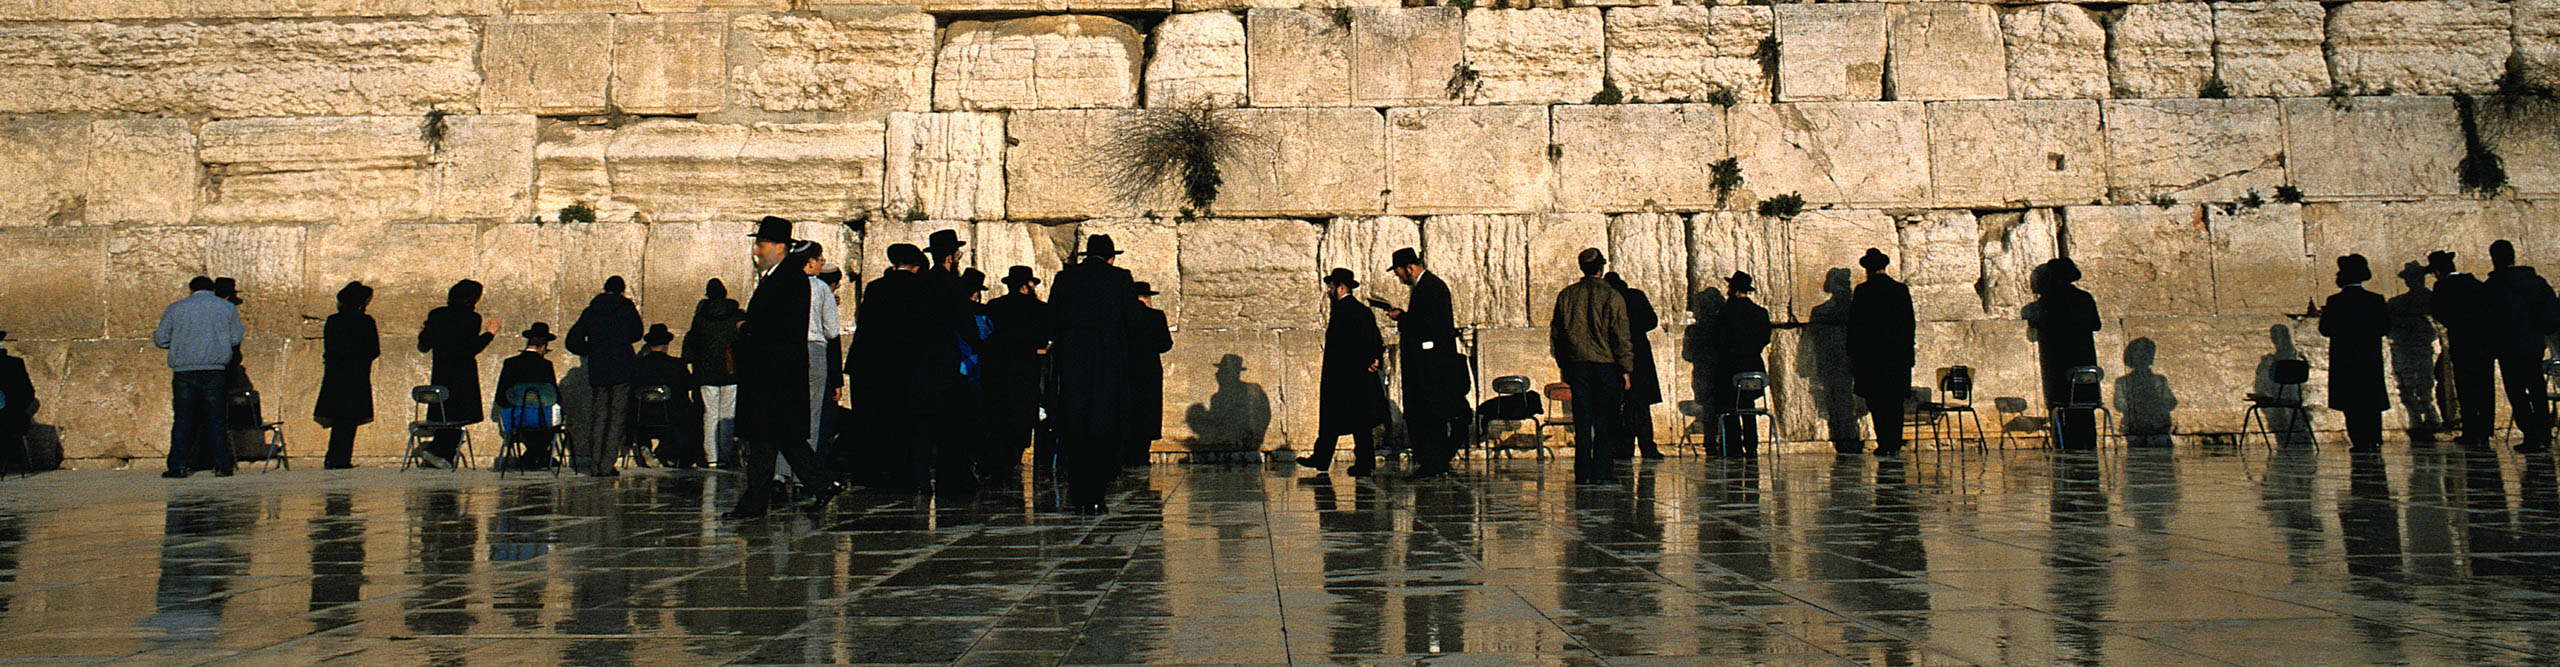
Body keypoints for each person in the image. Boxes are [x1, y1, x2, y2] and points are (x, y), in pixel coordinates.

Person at [728, 217, 842, 519]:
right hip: (774, 372)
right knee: (775, 438)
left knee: (771, 436)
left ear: (780, 247)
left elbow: (775, 326)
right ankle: (820, 485)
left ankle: (759, 503)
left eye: (761, 245)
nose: (757, 251)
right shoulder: (782, 276)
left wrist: (744, 328)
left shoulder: (788, 279)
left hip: (775, 373)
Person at [1049, 235, 1143, 514]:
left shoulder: (1065, 278)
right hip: (1109, 368)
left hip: (1073, 367)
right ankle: (1096, 496)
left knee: (1076, 427)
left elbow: (1051, 323)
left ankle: (1079, 495)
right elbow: (1133, 324)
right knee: (1104, 428)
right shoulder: (1121, 279)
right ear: (1110, 257)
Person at [850, 243, 938, 491]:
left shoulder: (875, 287)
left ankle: (876, 472)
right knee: (908, 421)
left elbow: (866, 328)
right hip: (909, 364)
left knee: (878, 419)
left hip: (875, 364)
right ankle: (907, 474)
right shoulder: (923, 288)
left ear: (894, 264)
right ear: (917, 267)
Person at [1550, 248, 1633, 484]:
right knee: (1605, 421)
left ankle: (1583, 472)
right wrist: (1626, 368)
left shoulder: (1566, 296)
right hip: (1605, 366)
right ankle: (1602, 473)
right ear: (1601, 268)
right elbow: (1620, 335)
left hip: (1577, 366)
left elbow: (1557, 334)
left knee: (1583, 420)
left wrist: (1565, 363)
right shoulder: (1612, 296)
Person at [1383, 248, 1467, 479]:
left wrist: (1401, 317)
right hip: (1428, 364)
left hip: (1430, 366)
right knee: (1428, 414)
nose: (1400, 279)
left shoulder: (1430, 287)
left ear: (1410, 268)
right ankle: (1432, 463)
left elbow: (1426, 326)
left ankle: (1433, 463)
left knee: (1429, 415)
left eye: (1400, 274)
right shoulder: (1428, 286)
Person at [153, 276, 245, 478]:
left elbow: (161, 339)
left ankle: (178, 466)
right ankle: (221, 465)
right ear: (212, 289)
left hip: (184, 371)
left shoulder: (175, 308)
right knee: (217, 419)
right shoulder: (227, 308)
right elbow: (236, 337)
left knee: (183, 419)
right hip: (214, 369)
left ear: (191, 289)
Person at [1301, 269, 1389, 476]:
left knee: (1342, 420)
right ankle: (1333, 459)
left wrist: (1367, 360)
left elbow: (1349, 344)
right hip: (1358, 375)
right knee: (1357, 422)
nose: (1329, 292)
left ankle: (1331, 459)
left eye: (1331, 287)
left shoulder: (1342, 311)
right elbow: (1374, 339)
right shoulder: (1362, 310)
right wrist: (1374, 359)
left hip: (1343, 376)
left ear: (1340, 288)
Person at [566, 275, 644, 475]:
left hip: (599, 368)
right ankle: (607, 465)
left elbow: (572, 340)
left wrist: (590, 350)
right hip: (622, 367)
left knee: (599, 415)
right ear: (622, 290)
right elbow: (637, 333)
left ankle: (595, 464)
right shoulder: (626, 308)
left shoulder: (591, 310)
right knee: (617, 417)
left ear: (604, 289)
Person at [2484, 240, 2557, 452]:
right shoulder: (2536, 282)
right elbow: (2551, 311)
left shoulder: (2493, 286)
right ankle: (2544, 434)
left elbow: (2487, 319)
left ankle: (2531, 435)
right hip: (2533, 344)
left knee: (2517, 393)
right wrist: (2542, 330)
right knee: (2537, 389)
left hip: (2507, 347)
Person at [417, 280, 497, 469]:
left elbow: (424, 345)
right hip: (463, 375)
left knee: (445, 414)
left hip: (441, 374)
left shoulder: (436, 315)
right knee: (458, 417)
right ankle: (439, 452)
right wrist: (490, 334)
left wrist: (423, 332)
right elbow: (469, 349)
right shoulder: (472, 318)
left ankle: (439, 452)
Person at [982, 266, 1052, 475]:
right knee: (1023, 413)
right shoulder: (1039, 308)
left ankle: (1001, 457)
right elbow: (1044, 338)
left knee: (1001, 412)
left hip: (998, 367)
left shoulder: (995, 306)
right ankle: (1015, 454)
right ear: (1025, 286)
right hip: (1026, 367)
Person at [2026, 259, 2102, 451]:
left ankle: (2066, 444)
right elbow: (2096, 325)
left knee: (2062, 405)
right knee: (2085, 407)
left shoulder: (2049, 301)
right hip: (2085, 361)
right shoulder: (2085, 298)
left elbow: (2040, 329)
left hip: (2060, 361)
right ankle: (2088, 445)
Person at [1846, 249, 1916, 457]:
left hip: (1871, 358)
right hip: (1897, 358)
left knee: (1876, 402)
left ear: (1867, 269)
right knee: (1895, 402)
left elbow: (1855, 327)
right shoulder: (1900, 290)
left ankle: (1884, 442)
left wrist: (1852, 355)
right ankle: (1894, 442)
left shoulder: (1863, 291)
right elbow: (1909, 325)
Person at [2321, 255, 2390, 452]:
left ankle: (2359, 441)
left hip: (2345, 359)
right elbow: (2385, 327)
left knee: (2351, 402)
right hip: (2369, 358)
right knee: (2371, 400)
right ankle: (2374, 439)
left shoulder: (2335, 301)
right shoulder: (2376, 300)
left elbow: (2325, 329)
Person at [2428, 250, 2495, 445]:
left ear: (2438, 272)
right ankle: (2485, 429)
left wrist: (2457, 324)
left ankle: (2471, 430)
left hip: (2462, 342)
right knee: (2485, 386)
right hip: (2484, 343)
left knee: (2466, 387)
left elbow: (2439, 312)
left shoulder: (2442, 287)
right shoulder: (2475, 283)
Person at [314, 282, 379, 469]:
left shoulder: (333, 321)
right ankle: (340, 458)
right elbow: (374, 350)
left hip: (335, 375)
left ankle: (334, 456)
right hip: (356, 375)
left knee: (338, 418)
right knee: (349, 419)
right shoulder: (365, 322)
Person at [682, 279, 746, 468]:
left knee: (710, 414)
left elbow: (692, 344)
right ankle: (725, 455)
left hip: (706, 372)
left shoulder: (701, 318)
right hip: (730, 370)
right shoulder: (736, 316)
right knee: (727, 414)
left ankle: (711, 456)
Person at [1606, 272, 1666, 461]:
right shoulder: (1636, 296)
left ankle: (1624, 448)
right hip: (1641, 355)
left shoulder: (1609, 299)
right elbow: (1651, 321)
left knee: (1622, 406)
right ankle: (1648, 447)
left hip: (1617, 354)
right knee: (1641, 406)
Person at [1712, 272, 1772, 456]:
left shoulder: (1726, 312)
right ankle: (1752, 446)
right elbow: (1765, 339)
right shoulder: (1761, 312)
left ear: (1735, 290)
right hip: (1754, 367)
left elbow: (1718, 340)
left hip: (1730, 368)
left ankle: (1734, 447)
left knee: (1730, 406)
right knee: (1748, 406)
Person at [634, 324, 704, 467]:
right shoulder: (676, 365)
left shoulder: (638, 365)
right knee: (691, 414)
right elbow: (689, 384)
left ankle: (644, 445)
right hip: (671, 417)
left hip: (643, 416)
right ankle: (677, 455)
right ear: (666, 345)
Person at [495, 323, 562, 470]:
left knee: (527, 421)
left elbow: (500, 397)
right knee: (551, 421)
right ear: (543, 346)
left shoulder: (510, 363)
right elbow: (555, 397)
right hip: (542, 420)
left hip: (516, 419)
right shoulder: (546, 365)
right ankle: (537, 456)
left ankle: (532, 456)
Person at [1127, 281, 1173, 467]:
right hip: (1148, 369)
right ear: (1146, 298)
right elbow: (1166, 344)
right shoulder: (1156, 316)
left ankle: (1126, 454)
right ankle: (1141, 454)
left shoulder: (1122, 317)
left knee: (1127, 409)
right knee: (1147, 410)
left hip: (1126, 369)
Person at [0, 331, 39, 473]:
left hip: (9, 419)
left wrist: (10, 410)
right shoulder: (14, 364)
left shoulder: (13, 364)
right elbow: (28, 394)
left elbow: (26, 394)